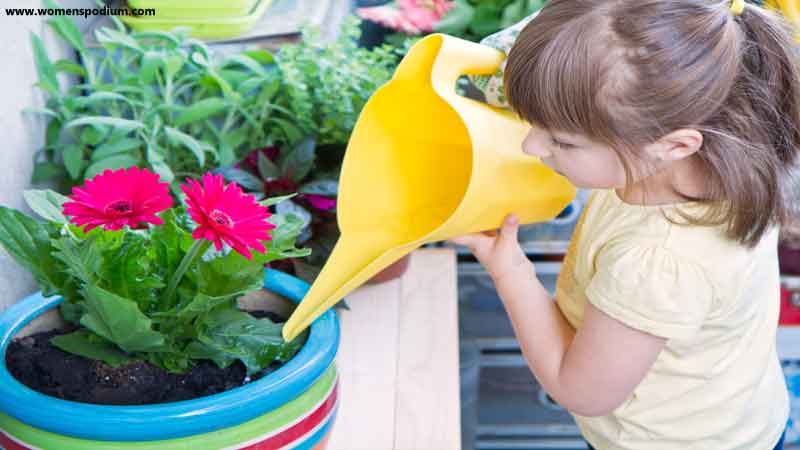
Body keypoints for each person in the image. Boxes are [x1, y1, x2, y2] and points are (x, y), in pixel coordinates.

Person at [451, 0, 800, 448]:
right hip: (734, 408)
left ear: (672, 145)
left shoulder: (658, 263)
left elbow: (579, 389)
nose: (532, 145)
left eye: (561, 141)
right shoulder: (726, 146)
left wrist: (509, 270)